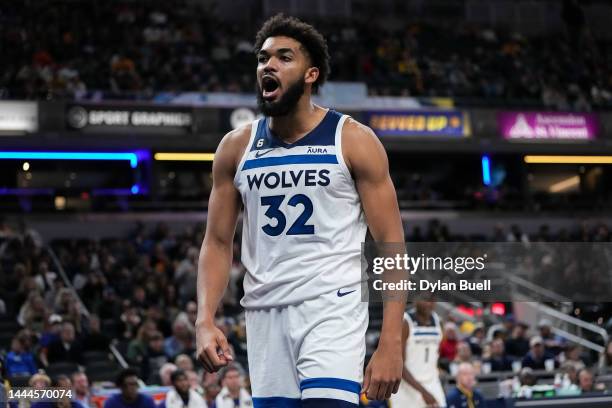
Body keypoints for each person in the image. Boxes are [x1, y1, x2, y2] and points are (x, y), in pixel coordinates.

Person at [195, 14, 405, 407]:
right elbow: (218, 242)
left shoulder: (354, 140)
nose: (268, 65)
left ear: (310, 75)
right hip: (264, 313)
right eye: (263, 58)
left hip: (333, 306)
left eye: (283, 57)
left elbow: (390, 244)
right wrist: (204, 319)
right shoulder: (235, 147)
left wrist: (391, 340)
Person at [390, 300, 446, 408]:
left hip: (432, 383)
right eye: (425, 299)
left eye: (432, 299)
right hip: (407, 386)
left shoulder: (438, 321)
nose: (429, 303)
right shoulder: (405, 322)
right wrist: (423, 392)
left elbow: (434, 354)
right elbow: (398, 366)